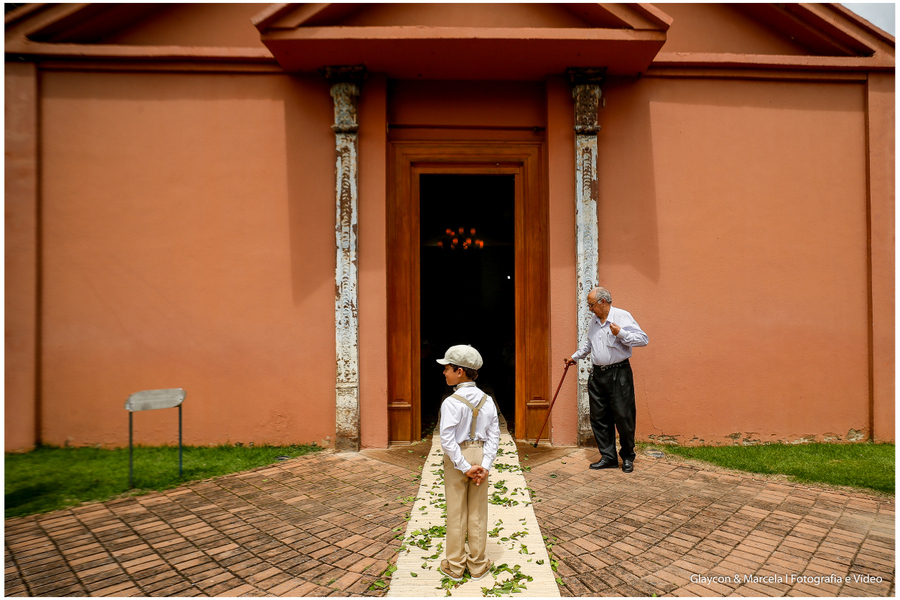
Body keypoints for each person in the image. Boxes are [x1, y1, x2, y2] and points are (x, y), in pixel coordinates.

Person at [564, 287, 648, 473]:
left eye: (591, 305)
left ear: (603, 302)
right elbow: (589, 344)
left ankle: (627, 456)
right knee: (599, 418)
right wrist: (574, 357)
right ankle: (608, 457)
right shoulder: (594, 321)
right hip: (598, 375)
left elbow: (643, 339)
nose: (590, 309)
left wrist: (621, 333)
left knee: (624, 417)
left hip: (619, 374)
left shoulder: (622, 316)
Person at [436, 344, 500, 581]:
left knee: (456, 512)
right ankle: (478, 564)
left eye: (447, 368)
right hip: (480, 455)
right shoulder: (488, 400)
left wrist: (464, 467)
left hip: (457, 458)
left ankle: (455, 566)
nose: (444, 372)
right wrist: (485, 465)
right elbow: (494, 436)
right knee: (478, 511)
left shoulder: (451, 402)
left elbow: (447, 440)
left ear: (460, 371)